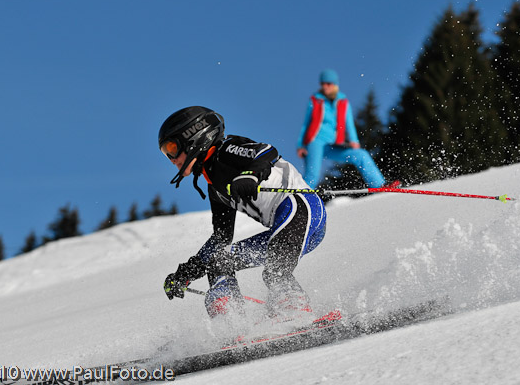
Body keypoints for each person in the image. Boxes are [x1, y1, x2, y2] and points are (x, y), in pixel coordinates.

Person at [159, 106, 326, 322]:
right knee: (219, 261)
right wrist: (188, 272)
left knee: (275, 269)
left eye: (172, 148)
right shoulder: (215, 188)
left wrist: (250, 175)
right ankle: (230, 321)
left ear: (194, 137)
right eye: (166, 154)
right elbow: (221, 238)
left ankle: (295, 312)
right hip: (280, 230)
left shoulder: (226, 151)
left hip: (301, 210)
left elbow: (267, 151)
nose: (171, 159)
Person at [297, 69, 397, 189]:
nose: (325, 87)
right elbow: (306, 123)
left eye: (328, 83)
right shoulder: (315, 100)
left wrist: (354, 141)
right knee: (312, 175)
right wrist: (300, 145)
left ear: (335, 85)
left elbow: (349, 123)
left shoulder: (343, 101)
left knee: (361, 155)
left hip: (333, 144)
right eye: (323, 84)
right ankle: (301, 196)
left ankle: (379, 185)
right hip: (315, 142)